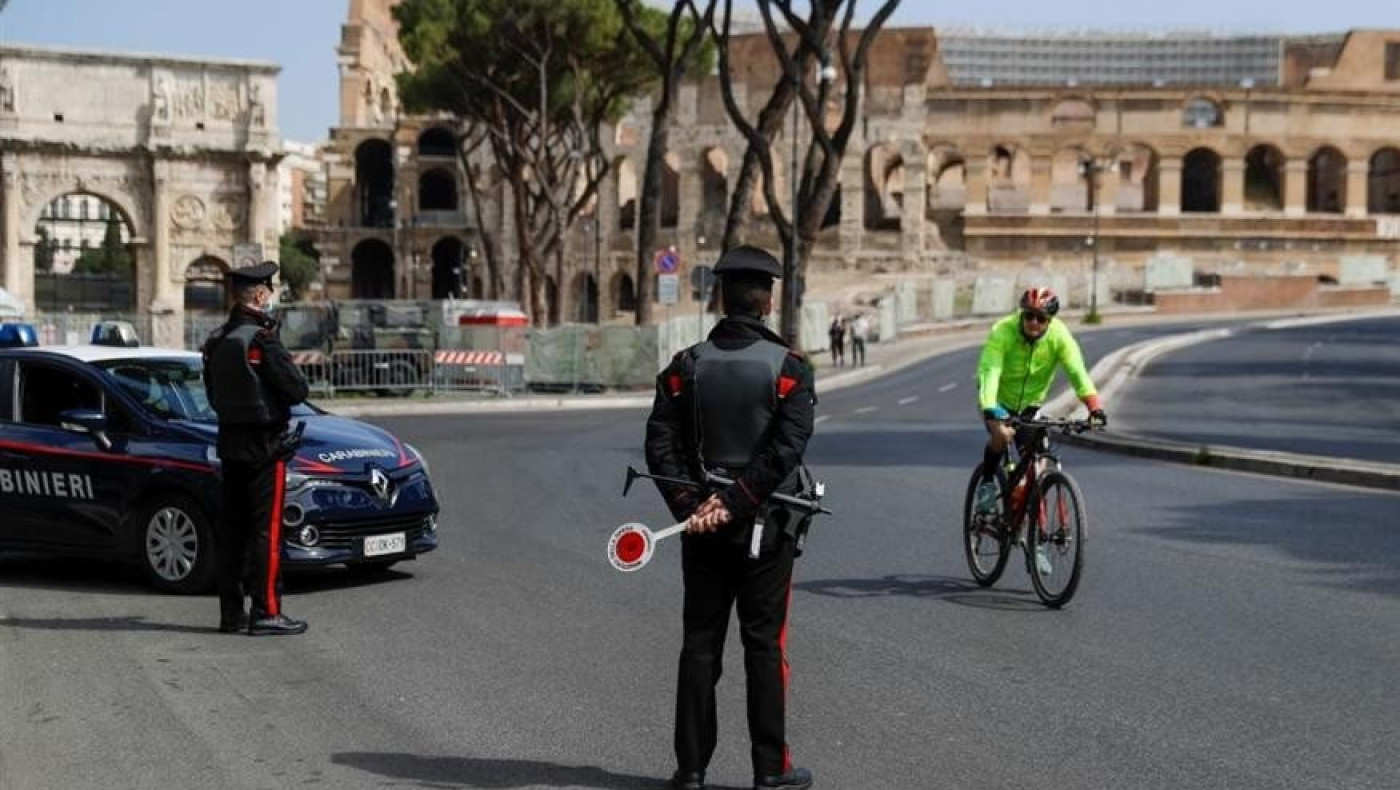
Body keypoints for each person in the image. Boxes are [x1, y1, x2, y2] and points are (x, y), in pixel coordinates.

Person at [645, 244, 818, 790]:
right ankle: (771, 771)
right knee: (765, 647)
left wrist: (693, 507)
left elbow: (660, 446)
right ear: (767, 300)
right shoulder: (791, 369)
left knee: (700, 646)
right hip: (767, 530)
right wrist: (739, 500)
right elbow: (785, 451)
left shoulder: (684, 368)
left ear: (721, 296)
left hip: (701, 529)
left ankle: (690, 771)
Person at [202, 262, 310, 636]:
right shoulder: (262, 338)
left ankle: (231, 614)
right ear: (261, 295)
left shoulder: (215, 340)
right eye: (269, 292)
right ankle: (266, 611)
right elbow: (297, 389)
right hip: (265, 446)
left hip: (229, 442)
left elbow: (213, 396)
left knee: (231, 532)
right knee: (267, 531)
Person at [975, 287, 1106, 571]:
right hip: (997, 400)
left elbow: (1077, 372)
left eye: (1041, 318)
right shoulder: (1003, 331)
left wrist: (1094, 406)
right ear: (1022, 315)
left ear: (1050, 320)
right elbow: (990, 370)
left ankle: (1033, 539)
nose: (1034, 322)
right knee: (1003, 434)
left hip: (1030, 406)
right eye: (1029, 316)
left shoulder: (1060, 337)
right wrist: (990, 406)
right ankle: (987, 484)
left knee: (1040, 464)